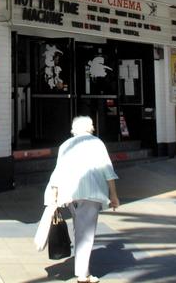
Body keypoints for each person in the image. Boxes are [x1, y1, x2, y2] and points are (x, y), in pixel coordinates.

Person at [44, 116, 120, 283]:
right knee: (86, 233)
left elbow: (58, 170)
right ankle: (83, 274)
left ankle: (82, 270)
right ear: (91, 128)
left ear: (73, 129)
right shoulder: (97, 143)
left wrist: (55, 193)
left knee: (79, 229)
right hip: (91, 193)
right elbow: (107, 169)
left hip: (70, 193)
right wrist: (113, 195)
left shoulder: (65, 145)